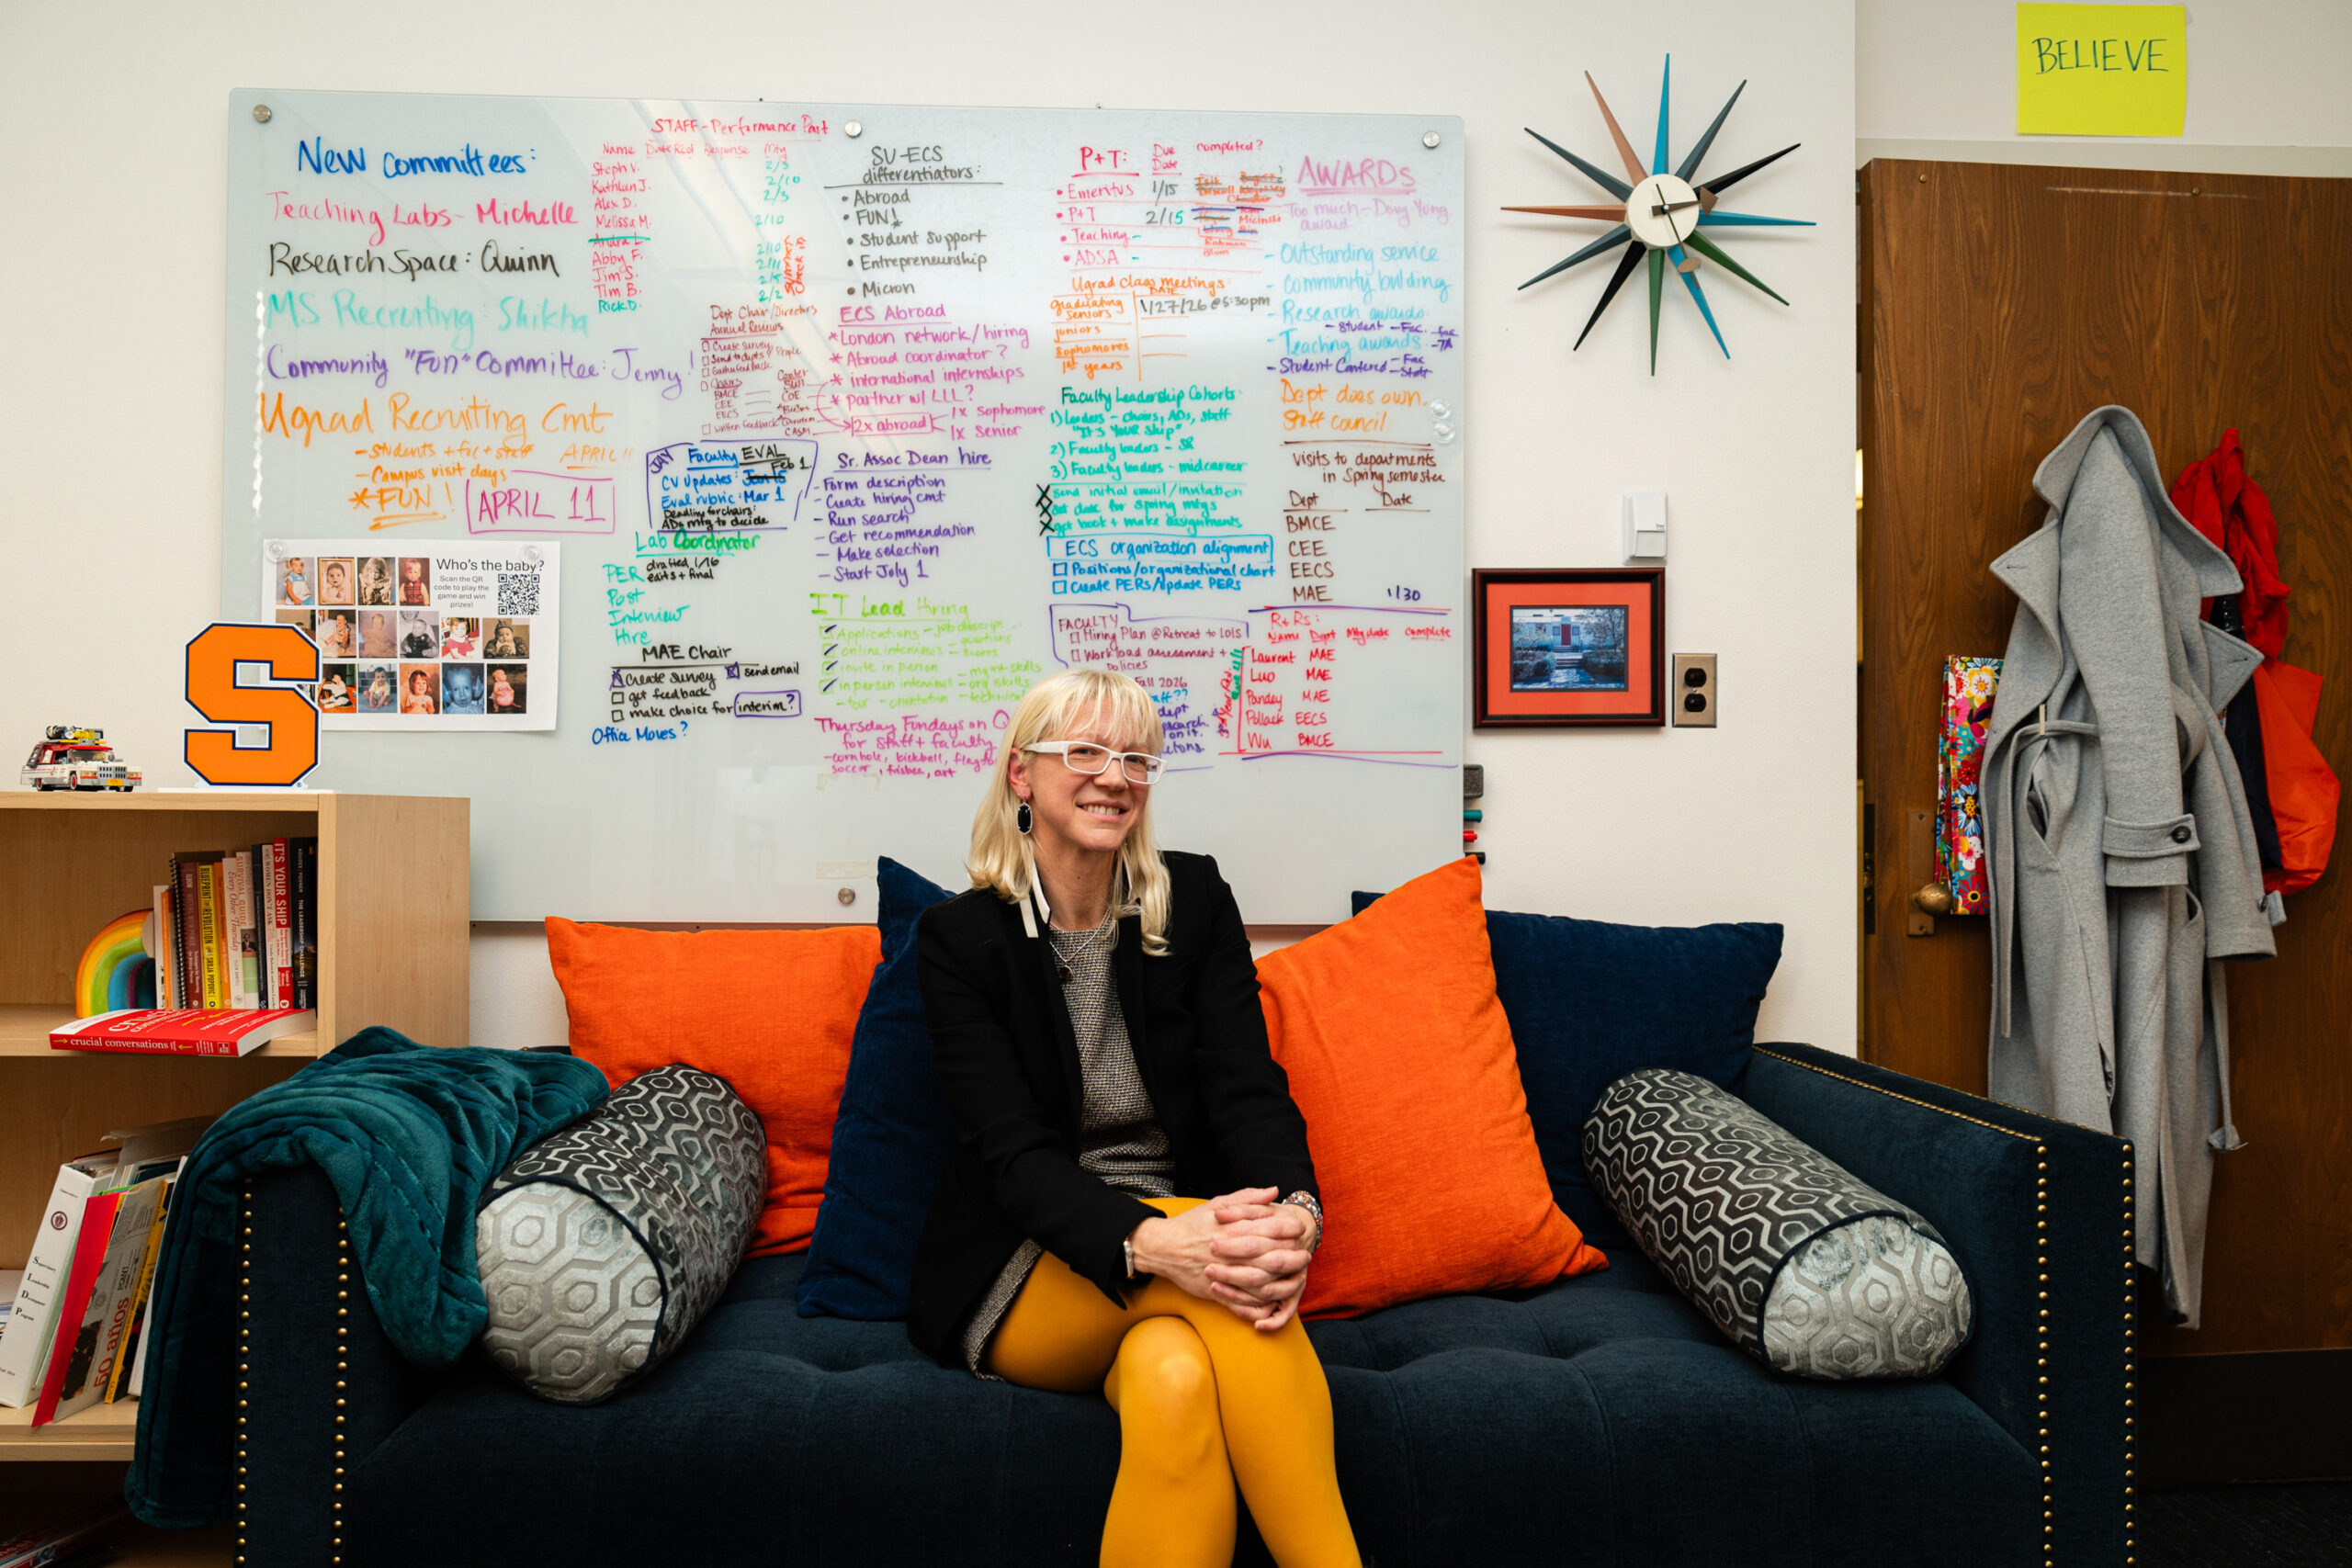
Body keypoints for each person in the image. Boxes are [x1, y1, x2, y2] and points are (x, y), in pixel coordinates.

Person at [910, 668, 1360, 1568]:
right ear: (1020, 775)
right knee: (1237, 1295)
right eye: (1083, 751)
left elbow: (1248, 1091)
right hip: (1027, 1262)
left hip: (1187, 1238)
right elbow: (1012, 1159)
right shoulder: (960, 940)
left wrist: (1295, 1213)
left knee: (1173, 1378)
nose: (1113, 776)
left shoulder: (1193, 902)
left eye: (1134, 757)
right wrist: (1159, 1246)